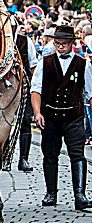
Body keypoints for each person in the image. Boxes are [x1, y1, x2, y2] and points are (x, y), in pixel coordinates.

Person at [31, 25, 92, 210]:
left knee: (77, 154)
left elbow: (90, 93)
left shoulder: (84, 64)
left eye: (64, 44)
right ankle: (51, 194)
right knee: (50, 155)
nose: (60, 47)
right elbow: (36, 90)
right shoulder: (45, 62)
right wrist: (37, 113)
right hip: (50, 116)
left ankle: (80, 195)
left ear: (73, 43)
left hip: (74, 116)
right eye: (57, 43)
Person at [15, 29, 38, 172]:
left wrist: (33, 90)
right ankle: (2, 155)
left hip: (23, 87)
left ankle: (23, 158)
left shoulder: (25, 41)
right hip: (1, 90)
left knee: (25, 122)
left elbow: (33, 66)